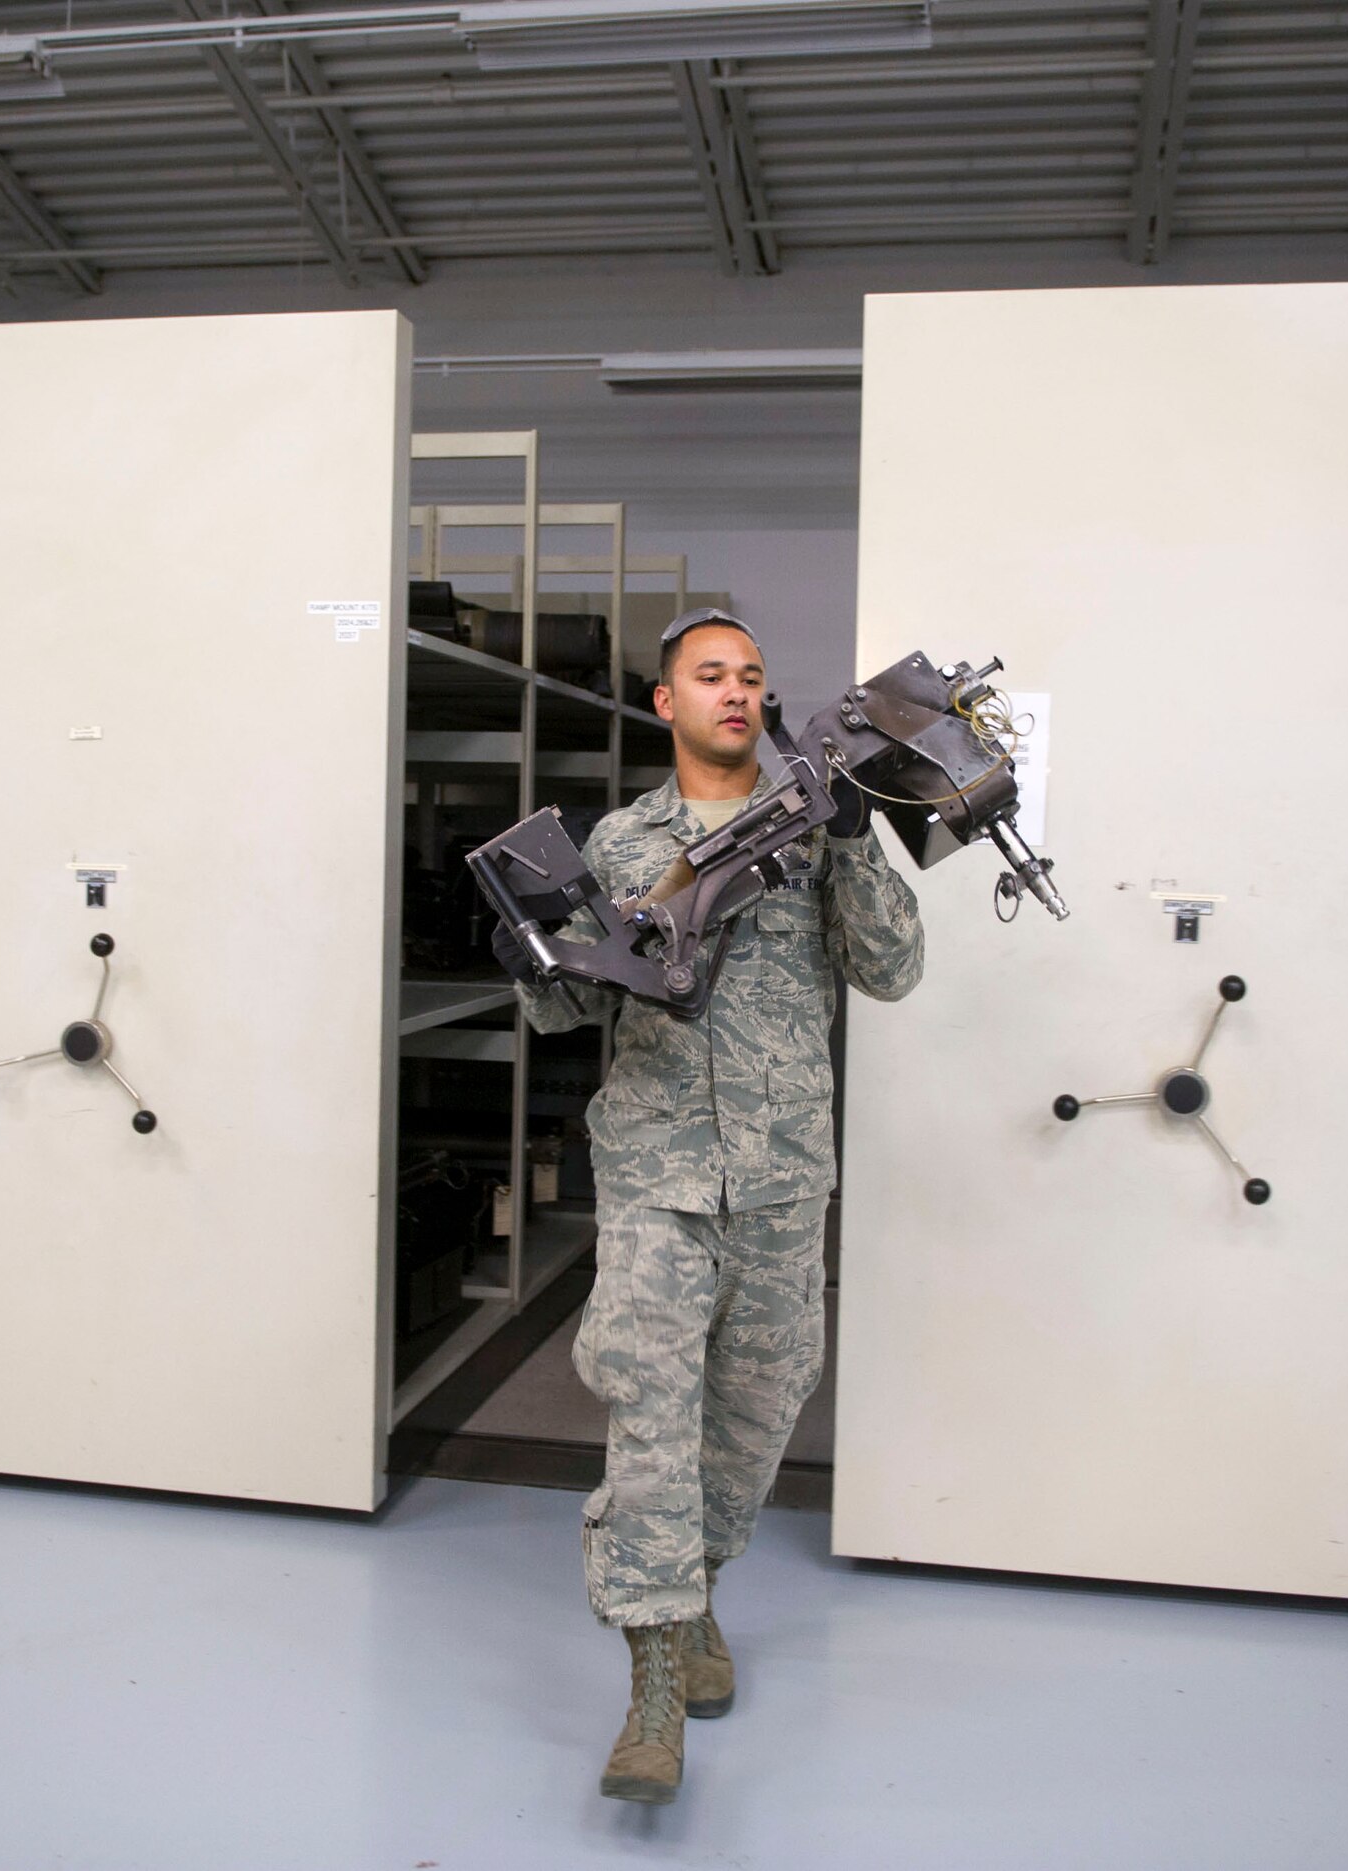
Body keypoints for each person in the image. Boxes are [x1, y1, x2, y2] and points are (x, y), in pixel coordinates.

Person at [492, 606, 924, 1804]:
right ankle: (650, 1695)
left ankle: (700, 1597)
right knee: (649, 1422)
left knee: (754, 1412)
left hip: (784, 1178)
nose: (736, 691)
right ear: (664, 703)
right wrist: (529, 950)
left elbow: (891, 970)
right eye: (709, 675)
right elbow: (572, 1008)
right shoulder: (621, 845)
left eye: (752, 677)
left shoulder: (816, 822)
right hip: (657, 1177)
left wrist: (852, 841)